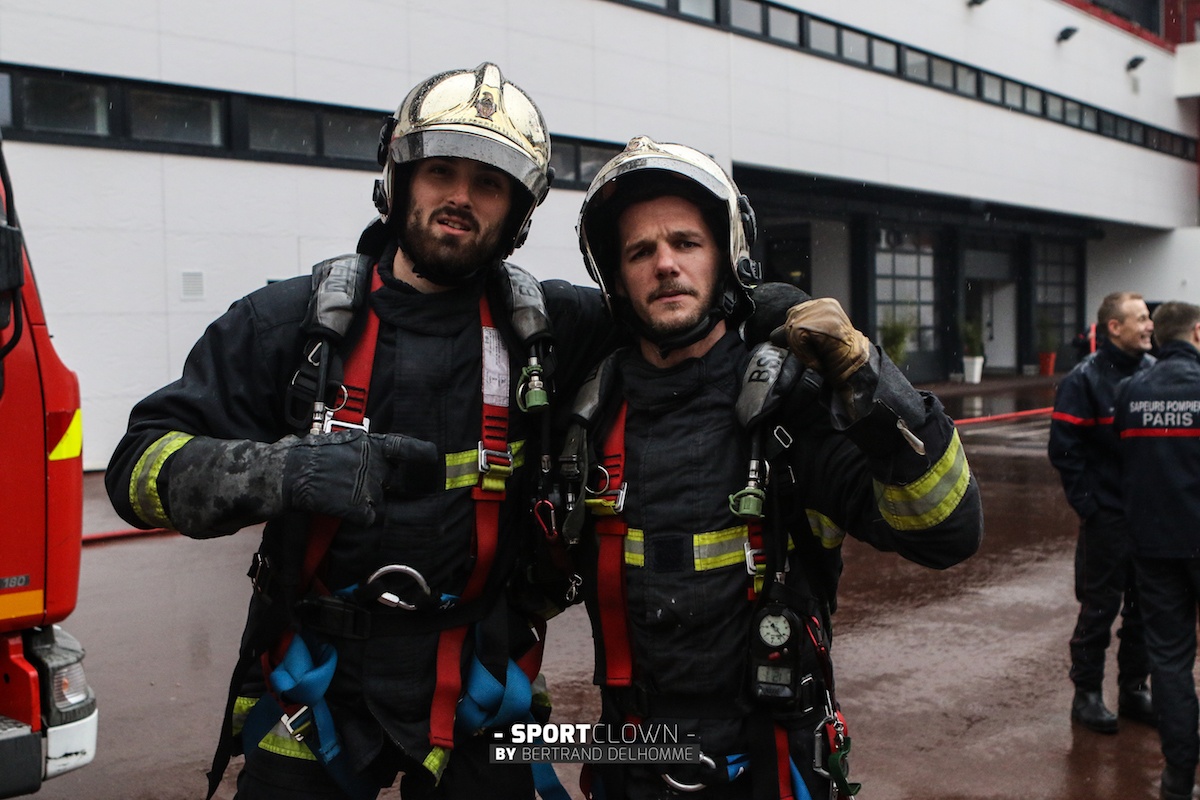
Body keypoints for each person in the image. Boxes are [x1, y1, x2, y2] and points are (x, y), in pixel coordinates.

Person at [104, 63, 621, 800]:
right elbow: (136, 469)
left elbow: (677, 313)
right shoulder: (289, 324)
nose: (460, 199)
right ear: (398, 178)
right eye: (441, 171)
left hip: (483, 678)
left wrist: (770, 309)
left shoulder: (550, 330)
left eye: (489, 184)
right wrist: (277, 472)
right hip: (312, 680)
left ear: (517, 213)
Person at [554, 136, 984, 799]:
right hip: (628, 758)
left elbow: (947, 532)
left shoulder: (793, 409)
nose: (665, 264)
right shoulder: (588, 415)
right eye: (641, 251)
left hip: (770, 765)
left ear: (729, 257)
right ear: (617, 276)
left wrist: (873, 380)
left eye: (686, 243)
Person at [1048, 291, 1156, 734]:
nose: (1150, 325)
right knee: (1099, 608)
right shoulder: (1083, 380)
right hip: (1107, 519)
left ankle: (1134, 690)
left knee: (1146, 608)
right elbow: (1064, 451)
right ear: (1114, 327)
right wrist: (1090, 506)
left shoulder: (1154, 374)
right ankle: (1087, 696)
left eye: (1149, 318)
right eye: (1142, 318)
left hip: (1151, 519)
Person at [1113, 301, 1200, 800]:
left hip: (1154, 543)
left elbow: (1126, 459)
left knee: (1169, 662)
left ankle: (1177, 778)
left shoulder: (1131, 391)